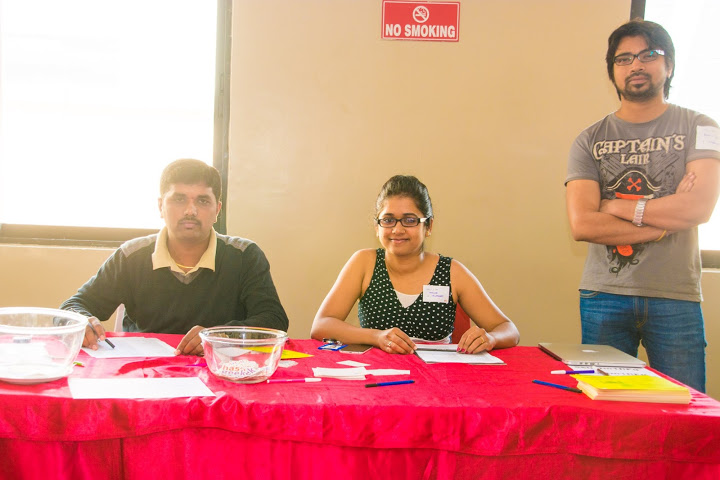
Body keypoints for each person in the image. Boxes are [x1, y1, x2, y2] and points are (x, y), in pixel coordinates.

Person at [565, 20, 720, 392]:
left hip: (675, 295)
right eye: (624, 58)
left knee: (686, 410)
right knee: (607, 410)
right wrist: (665, 222)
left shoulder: (700, 125)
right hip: (604, 295)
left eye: (649, 55)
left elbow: (698, 208)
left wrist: (616, 206)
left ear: (669, 66)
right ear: (612, 72)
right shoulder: (589, 139)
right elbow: (583, 225)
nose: (636, 65)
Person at [61, 158, 288, 355]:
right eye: (179, 199)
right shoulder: (132, 257)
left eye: (202, 201)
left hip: (221, 374)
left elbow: (273, 319)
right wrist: (83, 322)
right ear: (161, 206)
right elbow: (74, 305)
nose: (190, 211)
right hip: (146, 376)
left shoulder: (245, 256)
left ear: (217, 210)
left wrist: (219, 336)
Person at [311, 175, 519, 354]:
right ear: (377, 226)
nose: (397, 229)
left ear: (428, 226)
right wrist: (377, 337)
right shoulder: (364, 263)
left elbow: (508, 329)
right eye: (388, 220)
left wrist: (490, 339)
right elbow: (322, 326)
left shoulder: (451, 271)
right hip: (377, 379)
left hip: (439, 382)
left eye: (410, 220)